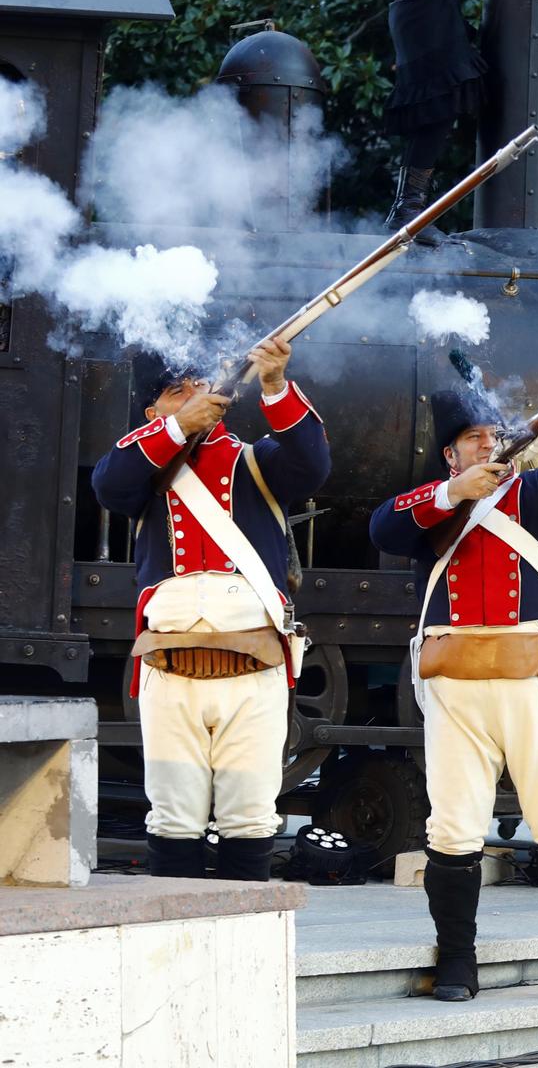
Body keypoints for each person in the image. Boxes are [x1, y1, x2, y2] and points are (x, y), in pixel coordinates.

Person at [369, 387, 538, 1002]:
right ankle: (456, 962)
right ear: (450, 453)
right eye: (474, 437)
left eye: (494, 433)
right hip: (457, 682)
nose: (489, 443)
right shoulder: (437, 501)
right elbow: (386, 527)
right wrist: (456, 494)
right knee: (453, 826)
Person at [93, 340, 329, 883]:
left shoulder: (255, 460)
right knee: (174, 814)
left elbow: (310, 464)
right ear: (154, 414)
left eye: (201, 385)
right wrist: (177, 430)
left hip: (253, 666)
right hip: (170, 666)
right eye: (178, 392)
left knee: (249, 812)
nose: (196, 394)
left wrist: (274, 385)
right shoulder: (146, 463)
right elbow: (109, 483)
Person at [365, 0, 486, 242]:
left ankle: (407, 208)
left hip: (406, 9)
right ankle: (410, 210)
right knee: (438, 113)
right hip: (432, 5)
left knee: (432, 114)